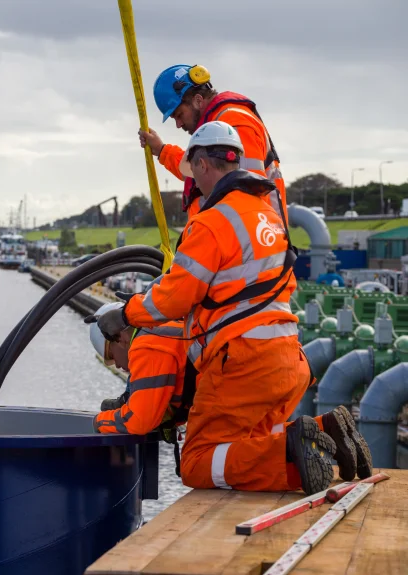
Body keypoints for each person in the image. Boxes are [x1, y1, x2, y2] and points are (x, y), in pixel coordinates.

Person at [91, 122, 371, 495]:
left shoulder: (211, 223)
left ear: (203, 164)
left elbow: (175, 298)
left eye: (192, 173)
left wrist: (126, 314)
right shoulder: (266, 214)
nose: (191, 184)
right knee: (249, 445)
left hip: (242, 360)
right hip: (288, 357)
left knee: (197, 462)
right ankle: (324, 430)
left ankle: (296, 452)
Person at [139, 64, 286, 220]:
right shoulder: (218, 125)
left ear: (198, 100)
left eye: (179, 115)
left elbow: (247, 194)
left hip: (246, 238)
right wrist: (162, 150)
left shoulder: (234, 124)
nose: (178, 124)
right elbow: (199, 170)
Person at [89, 304, 195, 475]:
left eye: (112, 356)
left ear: (120, 338)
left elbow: (139, 421)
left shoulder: (147, 346)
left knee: (196, 467)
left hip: (230, 406)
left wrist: (99, 422)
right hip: (230, 402)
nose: (116, 364)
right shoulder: (161, 331)